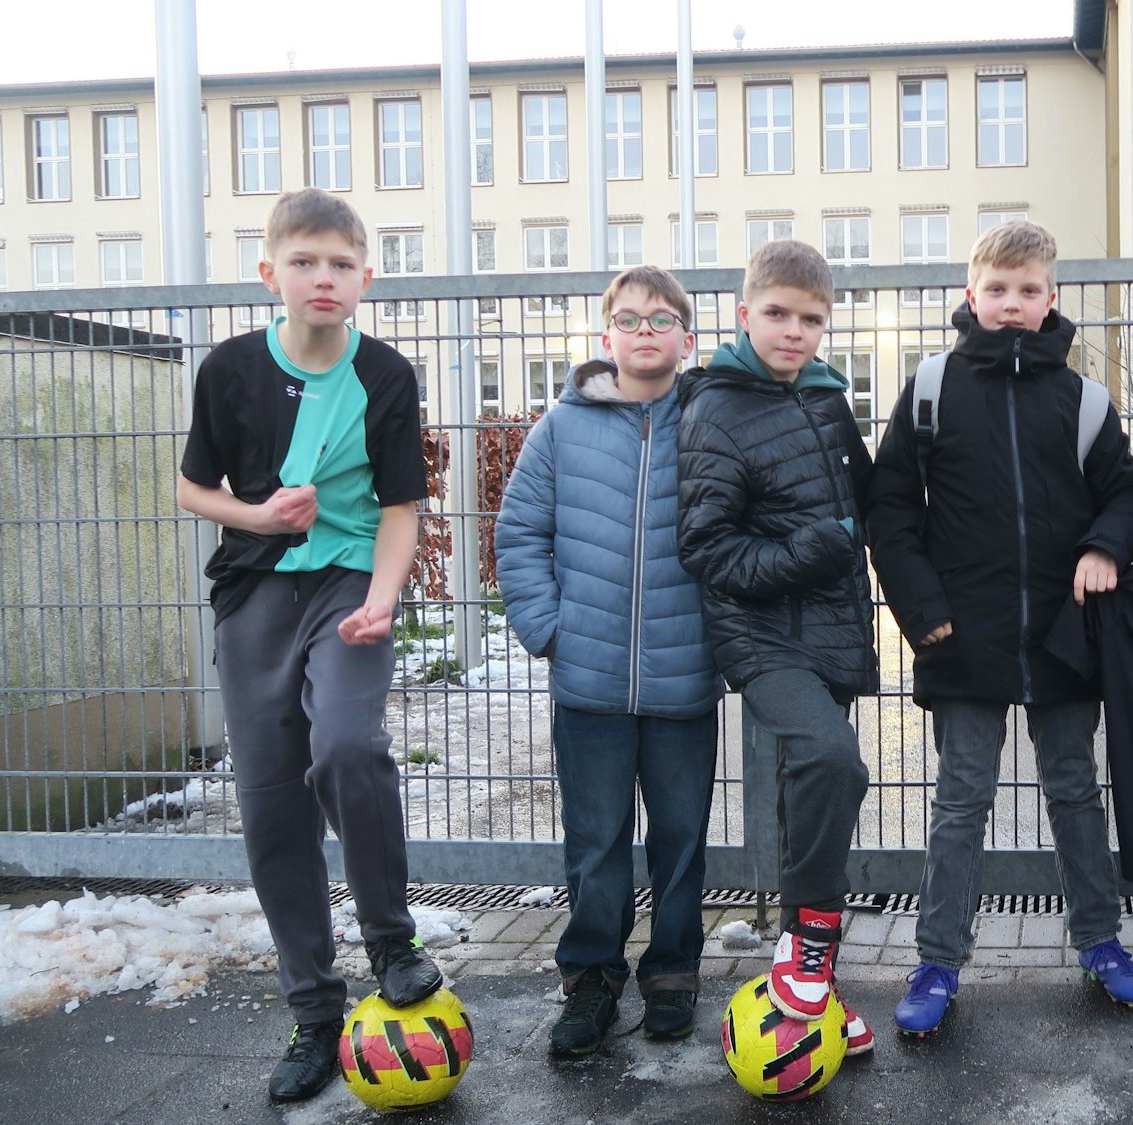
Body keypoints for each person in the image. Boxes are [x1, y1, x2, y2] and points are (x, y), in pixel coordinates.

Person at [175, 187, 442, 1102]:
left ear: (365, 277)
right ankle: (315, 1013)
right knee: (270, 805)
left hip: (349, 590)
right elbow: (190, 489)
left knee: (349, 745)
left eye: (339, 263)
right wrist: (257, 513)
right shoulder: (232, 369)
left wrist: (382, 598)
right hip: (254, 592)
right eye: (303, 261)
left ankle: (391, 940)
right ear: (270, 273)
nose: (321, 277)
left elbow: (402, 509)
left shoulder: (388, 375)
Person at [867, 221, 1133, 1037]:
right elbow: (890, 513)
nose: (1013, 304)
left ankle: (1101, 942)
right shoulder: (930, 389)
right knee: (961, 800)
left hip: (1066, 634)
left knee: (1074, 791)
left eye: (1029, 290)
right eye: (997, 289)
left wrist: (1106, 546)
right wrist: (922, 612)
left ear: (1052, 298)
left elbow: (1129, 496)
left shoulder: (1085, 400)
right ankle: (938, 959)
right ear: (971, 296)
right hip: (961, 636)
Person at [494, 265, 723, 1055]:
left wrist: (722, 638)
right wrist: (549, 628)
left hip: (685, 679)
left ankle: (672, 970)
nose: (645, 332)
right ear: (605, 338)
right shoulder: (564, 426)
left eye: (662, 320)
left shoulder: (711, 420)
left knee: (681, 836)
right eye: (629, 320)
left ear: (687, 338)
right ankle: (591, 977)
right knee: (596, 841)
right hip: (588, 682)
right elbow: (519, 533)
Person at [675, 239, 879, 1053]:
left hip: (829, 629)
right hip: (759, 632)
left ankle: (813, 990)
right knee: (834, 762)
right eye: (777, 314)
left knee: (809, 792)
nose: (793, 331)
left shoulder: (827, 399)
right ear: (742, 312)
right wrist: (818, 548)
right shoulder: (716, 408)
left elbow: (865, 499)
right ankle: (812, 940)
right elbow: (708, 549)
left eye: (810, 318)